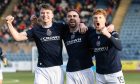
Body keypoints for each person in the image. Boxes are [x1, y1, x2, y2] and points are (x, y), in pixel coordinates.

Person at [5, 4, 87, 84]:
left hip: (57, 69)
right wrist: (9, 24)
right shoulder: (35, 30)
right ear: (40, 15)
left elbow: (73, 24)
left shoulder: (60, 26)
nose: (45, 15)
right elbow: (18, 37)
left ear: (52, 15)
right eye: (42, 13)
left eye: (47, 13)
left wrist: (81, 24)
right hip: (41, 70)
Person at [90, 9, 125, 84]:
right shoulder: (91, 35)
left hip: (115, 74)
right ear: (93, 20)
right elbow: (92, 52)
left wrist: (107, 34)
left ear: (105, 20)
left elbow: (120, 47)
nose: (97, 19)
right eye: (95, 18)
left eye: (100, 17)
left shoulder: (112, 33)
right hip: (100, 75)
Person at [63, 9, 95, 84]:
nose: (72, 18)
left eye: (74, 16)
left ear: (79, 19)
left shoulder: (88, 30)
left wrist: (82, 24)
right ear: (66, 19)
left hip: (86, 70)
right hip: (70, 71)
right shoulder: (63, 32)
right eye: (69, 16)